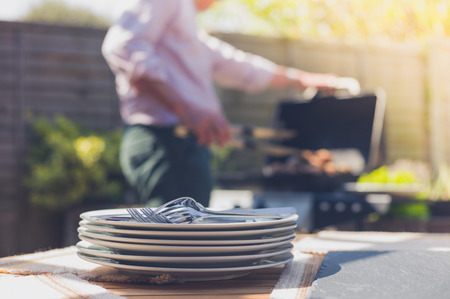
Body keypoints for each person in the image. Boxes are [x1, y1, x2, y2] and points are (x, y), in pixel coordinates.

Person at [102, 0, 338, 207]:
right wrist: (185, 110)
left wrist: (304, 79)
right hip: (166, 142)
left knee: (189, 242)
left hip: (185, 143)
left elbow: (239, 66)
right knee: (174, 243)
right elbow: (123, 46)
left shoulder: (187, 27)